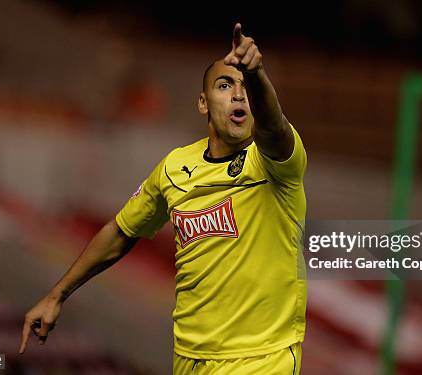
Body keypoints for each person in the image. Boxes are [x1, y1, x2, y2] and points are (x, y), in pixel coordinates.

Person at [19, 23, 307, 374]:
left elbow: (275, 129)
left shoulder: (275, 163)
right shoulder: (174, 167)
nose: (238, 95)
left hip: (261, 358)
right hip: (189, 359)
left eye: (246, 89)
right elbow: (122, 230)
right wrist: (57, 295)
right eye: (225, 85)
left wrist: (257, 74)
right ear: (203, 103)